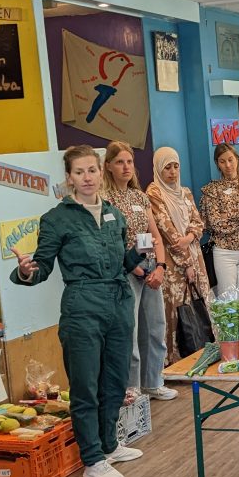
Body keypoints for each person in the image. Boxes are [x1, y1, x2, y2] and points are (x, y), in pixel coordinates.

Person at [11, 145, 144, 477]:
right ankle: (93, 459)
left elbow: (125, 258)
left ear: (102, 173)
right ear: (69, 178)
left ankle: (109, 445)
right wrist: (27, 270)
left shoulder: (116, 214)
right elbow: (41, 267)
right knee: (86, 385)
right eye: (80, 172)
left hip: (118, 301)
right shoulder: (56, 219)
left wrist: (140, 261)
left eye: (92, 170)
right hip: (82, 305)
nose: (87, 177)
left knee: (114, 380)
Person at [101, 141, 175, 402]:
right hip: (125, 270)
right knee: (129, 330)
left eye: (129, 162)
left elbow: (155, 235)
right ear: (108, 166)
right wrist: (135, 269)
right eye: (120, 162)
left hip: (151, 267)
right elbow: (111, 242)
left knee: (156, 326)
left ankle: (154, 381)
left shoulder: (139, 197)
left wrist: (161, 267)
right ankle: (132, 386)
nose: (126, 167)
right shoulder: (104, 200)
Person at [146, 146, 211, 364]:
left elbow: (198, 222)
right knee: (175, 312)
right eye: (167, 168)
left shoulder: (185, 193)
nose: (172, 172)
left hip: (194, 256)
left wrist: (190, 237)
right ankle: (175, 360)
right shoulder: (154, 193)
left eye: (175, 167)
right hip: (173, 263)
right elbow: (166, 230)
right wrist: (186, 262)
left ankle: (201, 353)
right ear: (158, 169)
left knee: (199, 305)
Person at [200, 142, 239, 304]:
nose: (228, 165)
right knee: (227, 299)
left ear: (237, 159)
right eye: (222, 161)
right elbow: (215, 224)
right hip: (224, 252)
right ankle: (228, 331)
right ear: (217, 164)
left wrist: (228, 214)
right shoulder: (212, 190)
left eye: (230, 160)